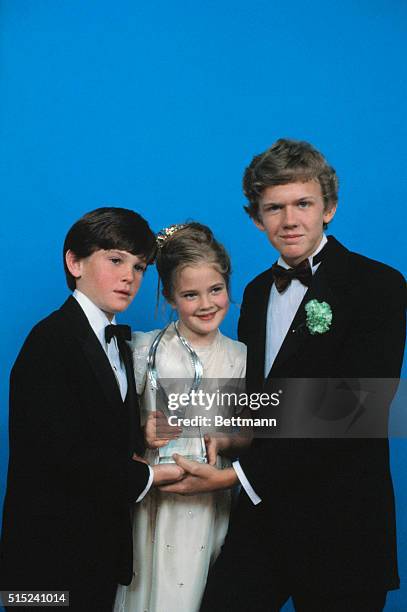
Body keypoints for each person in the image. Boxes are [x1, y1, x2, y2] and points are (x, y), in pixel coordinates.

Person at [160, 140, 406, 611]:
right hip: (264, 522)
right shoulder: (254, 294)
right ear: (256, 217)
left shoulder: (379, 285)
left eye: (303, 204)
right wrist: (229, 437)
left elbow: (356, 409)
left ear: (329, 208)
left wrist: (234, 477)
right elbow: (266, 400)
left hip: (342, 525)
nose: (289, 220)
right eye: (274, 208)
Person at [0, 207, 183, 611]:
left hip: (96, 553)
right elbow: (60, 452)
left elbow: (97, 425)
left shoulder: (117, 342)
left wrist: (142, 432)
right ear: (75, 262)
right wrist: (149, 474)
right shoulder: (50, 341)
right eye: (115, 260)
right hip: (44, 563)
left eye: (138, 267)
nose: (129, 278)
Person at [114, 222, 247, 612]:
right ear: (170, 296)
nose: (206, 304)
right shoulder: (144, 351)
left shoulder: (241, 357)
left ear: (228, 285)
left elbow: (253, 433)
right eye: (190, 294)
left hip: (212, 496)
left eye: (216, 290)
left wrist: (225, 438)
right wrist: (142, 431)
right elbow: (111, 428)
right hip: (155, 496)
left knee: (202, 590)